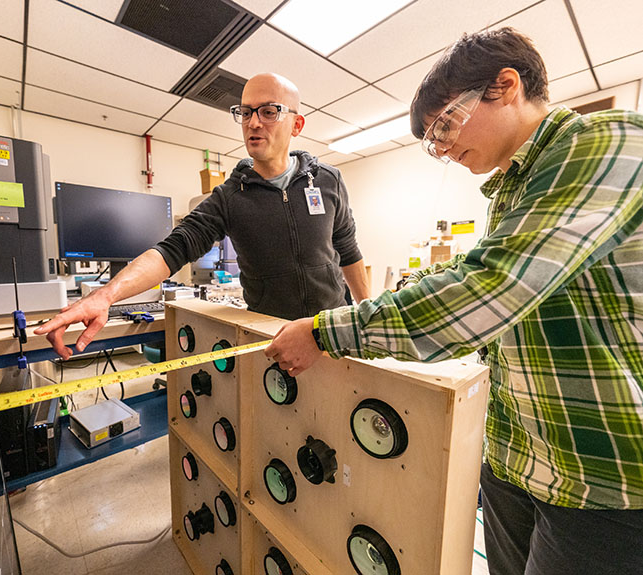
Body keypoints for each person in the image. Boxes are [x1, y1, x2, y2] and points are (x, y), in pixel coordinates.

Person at [264, 28, 643, 575]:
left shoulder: (606, 144)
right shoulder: (516, 188)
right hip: (519, 456)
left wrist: (327, 331)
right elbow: (495, 276)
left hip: (601, 477)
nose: (440, 147)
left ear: (505, 86)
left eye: (444, 125)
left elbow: (493, 286)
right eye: (432, 139)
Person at [36, 73, 369, 360]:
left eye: (269, 111)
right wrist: (104, 295)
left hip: (331, 333)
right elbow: (173, 249)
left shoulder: (327, 180)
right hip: (271, 336)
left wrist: (367, 317)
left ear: (296, 124)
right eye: (246, 112)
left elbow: (348, 249)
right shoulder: (228, 197)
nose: (253, 122)